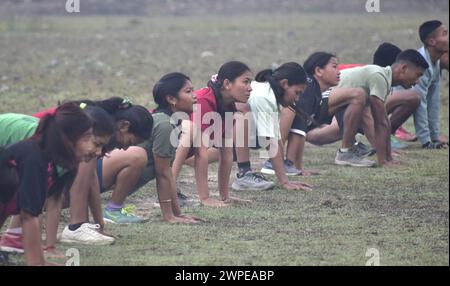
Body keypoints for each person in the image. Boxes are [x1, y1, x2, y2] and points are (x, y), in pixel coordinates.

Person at [0, 103, 98, 265]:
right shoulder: (34, 158)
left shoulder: (49, 163)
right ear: (68, 139)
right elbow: (28, 216)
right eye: (87, 138)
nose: (92, 147)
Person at [102, 72, 204, 223]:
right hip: (101, 173)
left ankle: (114, 209)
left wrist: (178, 214)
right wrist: (169, 216)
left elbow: (167, 174)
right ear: (171, 99)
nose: (194, 96)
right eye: (188, 92)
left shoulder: (172, 123)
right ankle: (112, 210)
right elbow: (162, 173)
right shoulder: (165, 125)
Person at [171, 62, 255, 207]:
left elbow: (226, 152)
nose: (250, 88)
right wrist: (205, 198)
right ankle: (168, 191)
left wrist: (224, 196)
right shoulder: (204, 101)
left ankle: (171, 189)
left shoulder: (229, 105)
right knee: (192, 135)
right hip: (156, 147)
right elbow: (201, 153)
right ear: (227, 84)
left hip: (173, 152)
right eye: (246, 82)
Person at [280, 53, 373, 173]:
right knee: (358, 93)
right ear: (318, 71)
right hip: (260, 121)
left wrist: (297, 168)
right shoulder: (308, 87)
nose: (339, 72)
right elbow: (288, 114)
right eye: (334, 67)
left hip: (268, 132)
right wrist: (279, 160)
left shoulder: (314, 93)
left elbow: (299, 129)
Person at [337, 49, 429, 166]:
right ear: (404, 68)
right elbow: (380, 123)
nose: (418, 81)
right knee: (320, 136)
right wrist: (383, 161)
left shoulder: (385, 79)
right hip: (323, 101)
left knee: (375, 115)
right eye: (418, 75)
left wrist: (389, 157)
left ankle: (348, 151)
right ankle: (345, 153)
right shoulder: (379, 76)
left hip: (337, 106)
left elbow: (384, 122)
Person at [231, 62, 312, 192]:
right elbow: (271, 143)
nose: (297, 99)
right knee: (243, 115)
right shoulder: (264, 97)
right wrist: (284, 182)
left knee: (205, 156)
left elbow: (276, 142)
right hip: (215, 127)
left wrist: (285, 179)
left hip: (222, 133)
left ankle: (187, 158)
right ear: (285, 84)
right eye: (297, 92)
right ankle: (244, 174)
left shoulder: (270, 96)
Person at [412, 20, 449, 149]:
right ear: (432, 42)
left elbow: (433, 101)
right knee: (415, 99)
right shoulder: (422, 63)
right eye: (445, 34)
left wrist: (435, 137)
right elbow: (420, 103)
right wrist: (426, 141)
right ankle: (389, 134)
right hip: (391, 101)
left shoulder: (436, 63)